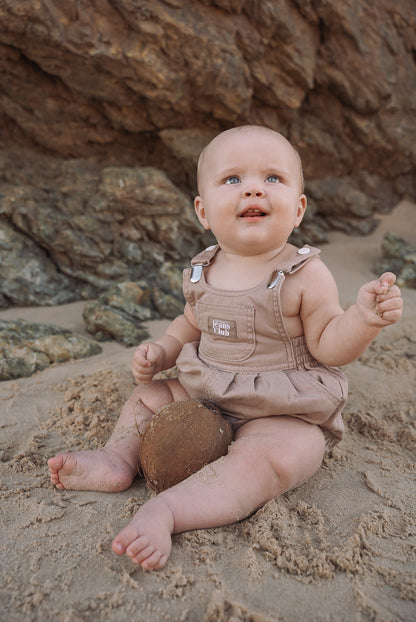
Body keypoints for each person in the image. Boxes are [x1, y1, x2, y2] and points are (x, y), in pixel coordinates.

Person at [48, 125, 403, 571]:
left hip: (279, 406)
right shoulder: (201, 270)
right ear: (203, 210)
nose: (253, 187)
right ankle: (117, 459)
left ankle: (171, 510)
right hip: (207, 390)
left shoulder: (304, 274)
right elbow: (189, 324)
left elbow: (329, 344)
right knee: (147, 397)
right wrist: (164, 349)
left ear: (298, 209)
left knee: (281, 456)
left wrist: (362, 320)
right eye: (232, 179)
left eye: (272, 178)